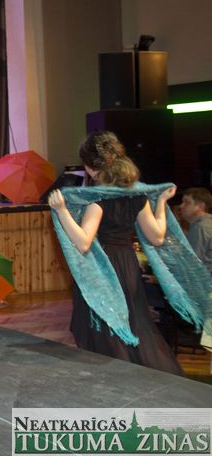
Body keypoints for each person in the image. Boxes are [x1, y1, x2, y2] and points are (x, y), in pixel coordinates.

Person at [48, 130, 195, 375]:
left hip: (103, 268)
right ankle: (144, 377)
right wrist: (160, 202)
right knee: (135, 323)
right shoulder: (137, 196)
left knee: (105, 327)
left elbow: (83, 243)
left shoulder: (97, 200)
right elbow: (157, 236)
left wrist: (62, 210)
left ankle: (115, 378)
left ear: (91, 168)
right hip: (128, 267)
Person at [179, 187, 212, 272]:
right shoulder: (207, 223)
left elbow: (191, 264)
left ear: (200, 206)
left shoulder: (200, 227)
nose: (181, 206)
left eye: (187, 202)